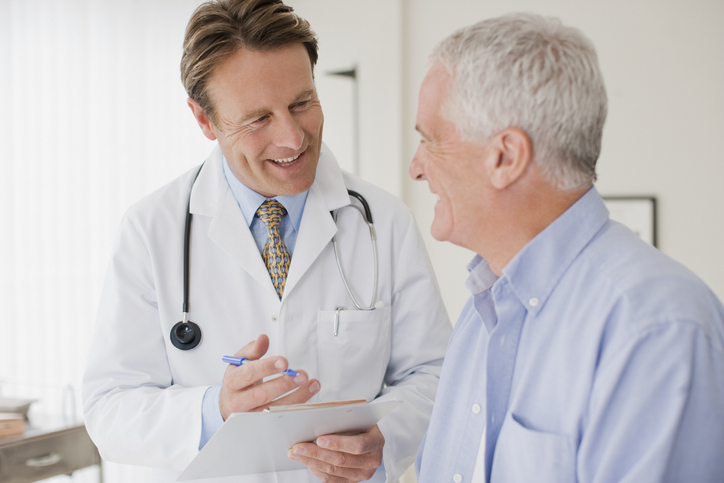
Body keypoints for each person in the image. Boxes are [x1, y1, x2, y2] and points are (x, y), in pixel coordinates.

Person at [82, 1, 451, 482]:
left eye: (302, 103)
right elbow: (109, 409)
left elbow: (440, 376)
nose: (292, 137)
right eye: (257, 119)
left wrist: (388, 438)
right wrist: (215, 410)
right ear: (204, 120)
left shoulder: (383, 222)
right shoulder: (153, 230)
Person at [410, 12, 724, 483]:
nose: (416, 168)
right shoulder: (482, 313)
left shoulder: (657, 328)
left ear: (505, 157)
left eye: (430, 142)